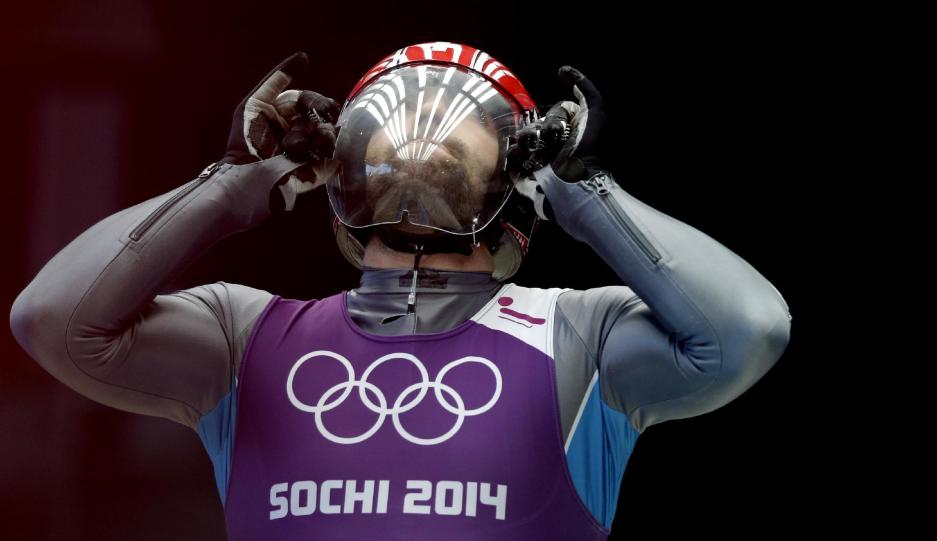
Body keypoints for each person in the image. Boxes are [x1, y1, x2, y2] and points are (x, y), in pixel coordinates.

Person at [9, 42, 793, 540]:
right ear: (517, 187)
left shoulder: (579, 334)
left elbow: (750, 328)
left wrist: (238, 180)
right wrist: (582, 190)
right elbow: (51, 319)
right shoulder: (242, 334)